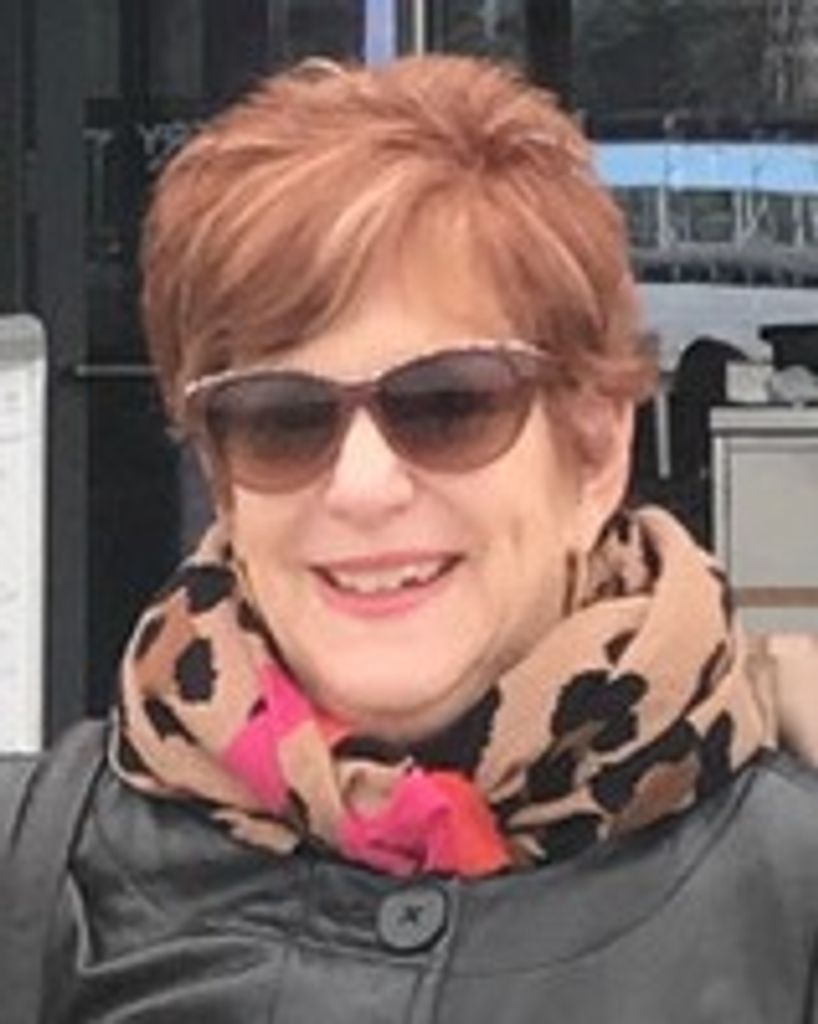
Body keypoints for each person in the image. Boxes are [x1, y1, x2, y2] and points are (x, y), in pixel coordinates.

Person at [6, 54, 818, 1021]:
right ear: (222, 478)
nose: (363, 487)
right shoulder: (42, 883)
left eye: (450, 403)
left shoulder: (787, 899)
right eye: (281, 417)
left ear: (595, 449)